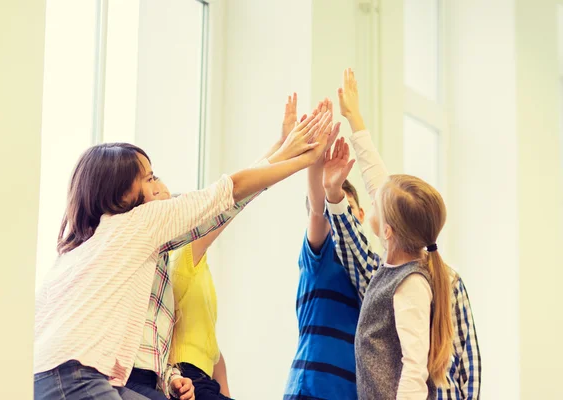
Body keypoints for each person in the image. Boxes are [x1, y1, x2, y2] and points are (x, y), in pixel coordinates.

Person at [33, 108, 335, 400]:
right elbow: (226, 194)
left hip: (43, 375)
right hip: (78, 374)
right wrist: (301, 159)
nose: (161, 186)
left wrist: (169, 376)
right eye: (150, 179)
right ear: (122, 194)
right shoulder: (138, 223)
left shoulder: (81, 252)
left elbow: (223, 202)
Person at [324, 68, 481, 399]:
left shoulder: (414, 283)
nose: (373, 194)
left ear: (388, 230)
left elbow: (416, 369)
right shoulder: (401, 261)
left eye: (377, 202)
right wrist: (355, 120)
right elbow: (379, 182)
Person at [283, 98, 363, 400]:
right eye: (336, 211)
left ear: (362, 215)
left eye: (347, 209)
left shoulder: (372, 267)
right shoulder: (321, 255)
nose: (340, 219)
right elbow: (319, 211)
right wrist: (317, 159)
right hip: (310, 388)